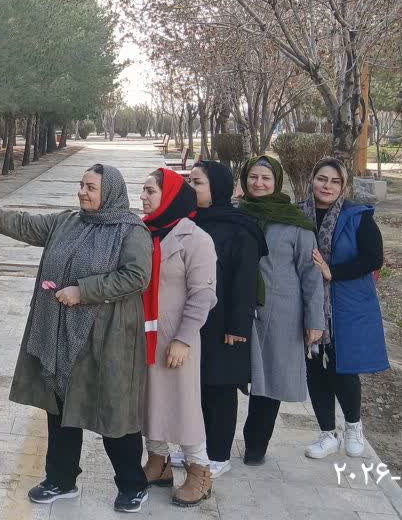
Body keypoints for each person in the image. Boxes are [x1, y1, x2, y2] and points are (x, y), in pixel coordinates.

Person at [0, 164, 153, 513]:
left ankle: (132, 485)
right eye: (81, 185)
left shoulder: (130, 231)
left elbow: (137, 277)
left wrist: (83, 291)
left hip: (106, 338)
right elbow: (23, 224)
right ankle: (61, 479)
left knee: (114, 411)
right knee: (60, 407)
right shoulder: (67, 222)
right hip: (59, 334)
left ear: (110, 192)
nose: (82, 192)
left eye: (91, 188)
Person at [237, 155, 325, 465]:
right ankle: (213, 443)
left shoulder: (294, 223)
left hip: (280, 313)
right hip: (238, 310)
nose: (258, 183)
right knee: (226, 376)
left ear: (276, 182)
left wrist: (315, 321)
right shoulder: (237, 215)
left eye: (266, 178)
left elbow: (311, 274)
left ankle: (255, 445)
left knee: (269, 379)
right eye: (253, 177)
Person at [299, 157, 389, 459]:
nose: (327, 186)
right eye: (322, 179)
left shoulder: (357, 216)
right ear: (312, 180)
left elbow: (373, 258)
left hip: (345, 304)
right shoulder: (298, 214)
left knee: (342, 367)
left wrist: (332, 271)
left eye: (335, 181)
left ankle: (353, 425)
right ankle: (327, 434)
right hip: (309, 302)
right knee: (314, 367)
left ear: (343, 186)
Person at [138, 169, 218, 507]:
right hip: (144, 334)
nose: (143, 197)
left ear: (169, 196)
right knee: (148, 400)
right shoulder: (143, 232)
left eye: (150, 191)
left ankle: (200, 470)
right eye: (143, 190)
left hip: (176, 338)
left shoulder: (196, 239)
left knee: (183, 404)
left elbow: (203, 295)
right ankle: (158, 461)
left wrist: (184, 339)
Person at [184, 160, 265, 478]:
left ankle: (218, 455)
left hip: (224, 321)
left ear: (216, 187)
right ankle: (197, 448)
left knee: (220, 387)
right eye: (190, 182)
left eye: (198, 183)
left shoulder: (239, 228)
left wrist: (237, 326)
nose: (191, 188)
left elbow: (245, 281)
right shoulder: (190, 220)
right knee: (196, 385)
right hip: (194, 318)